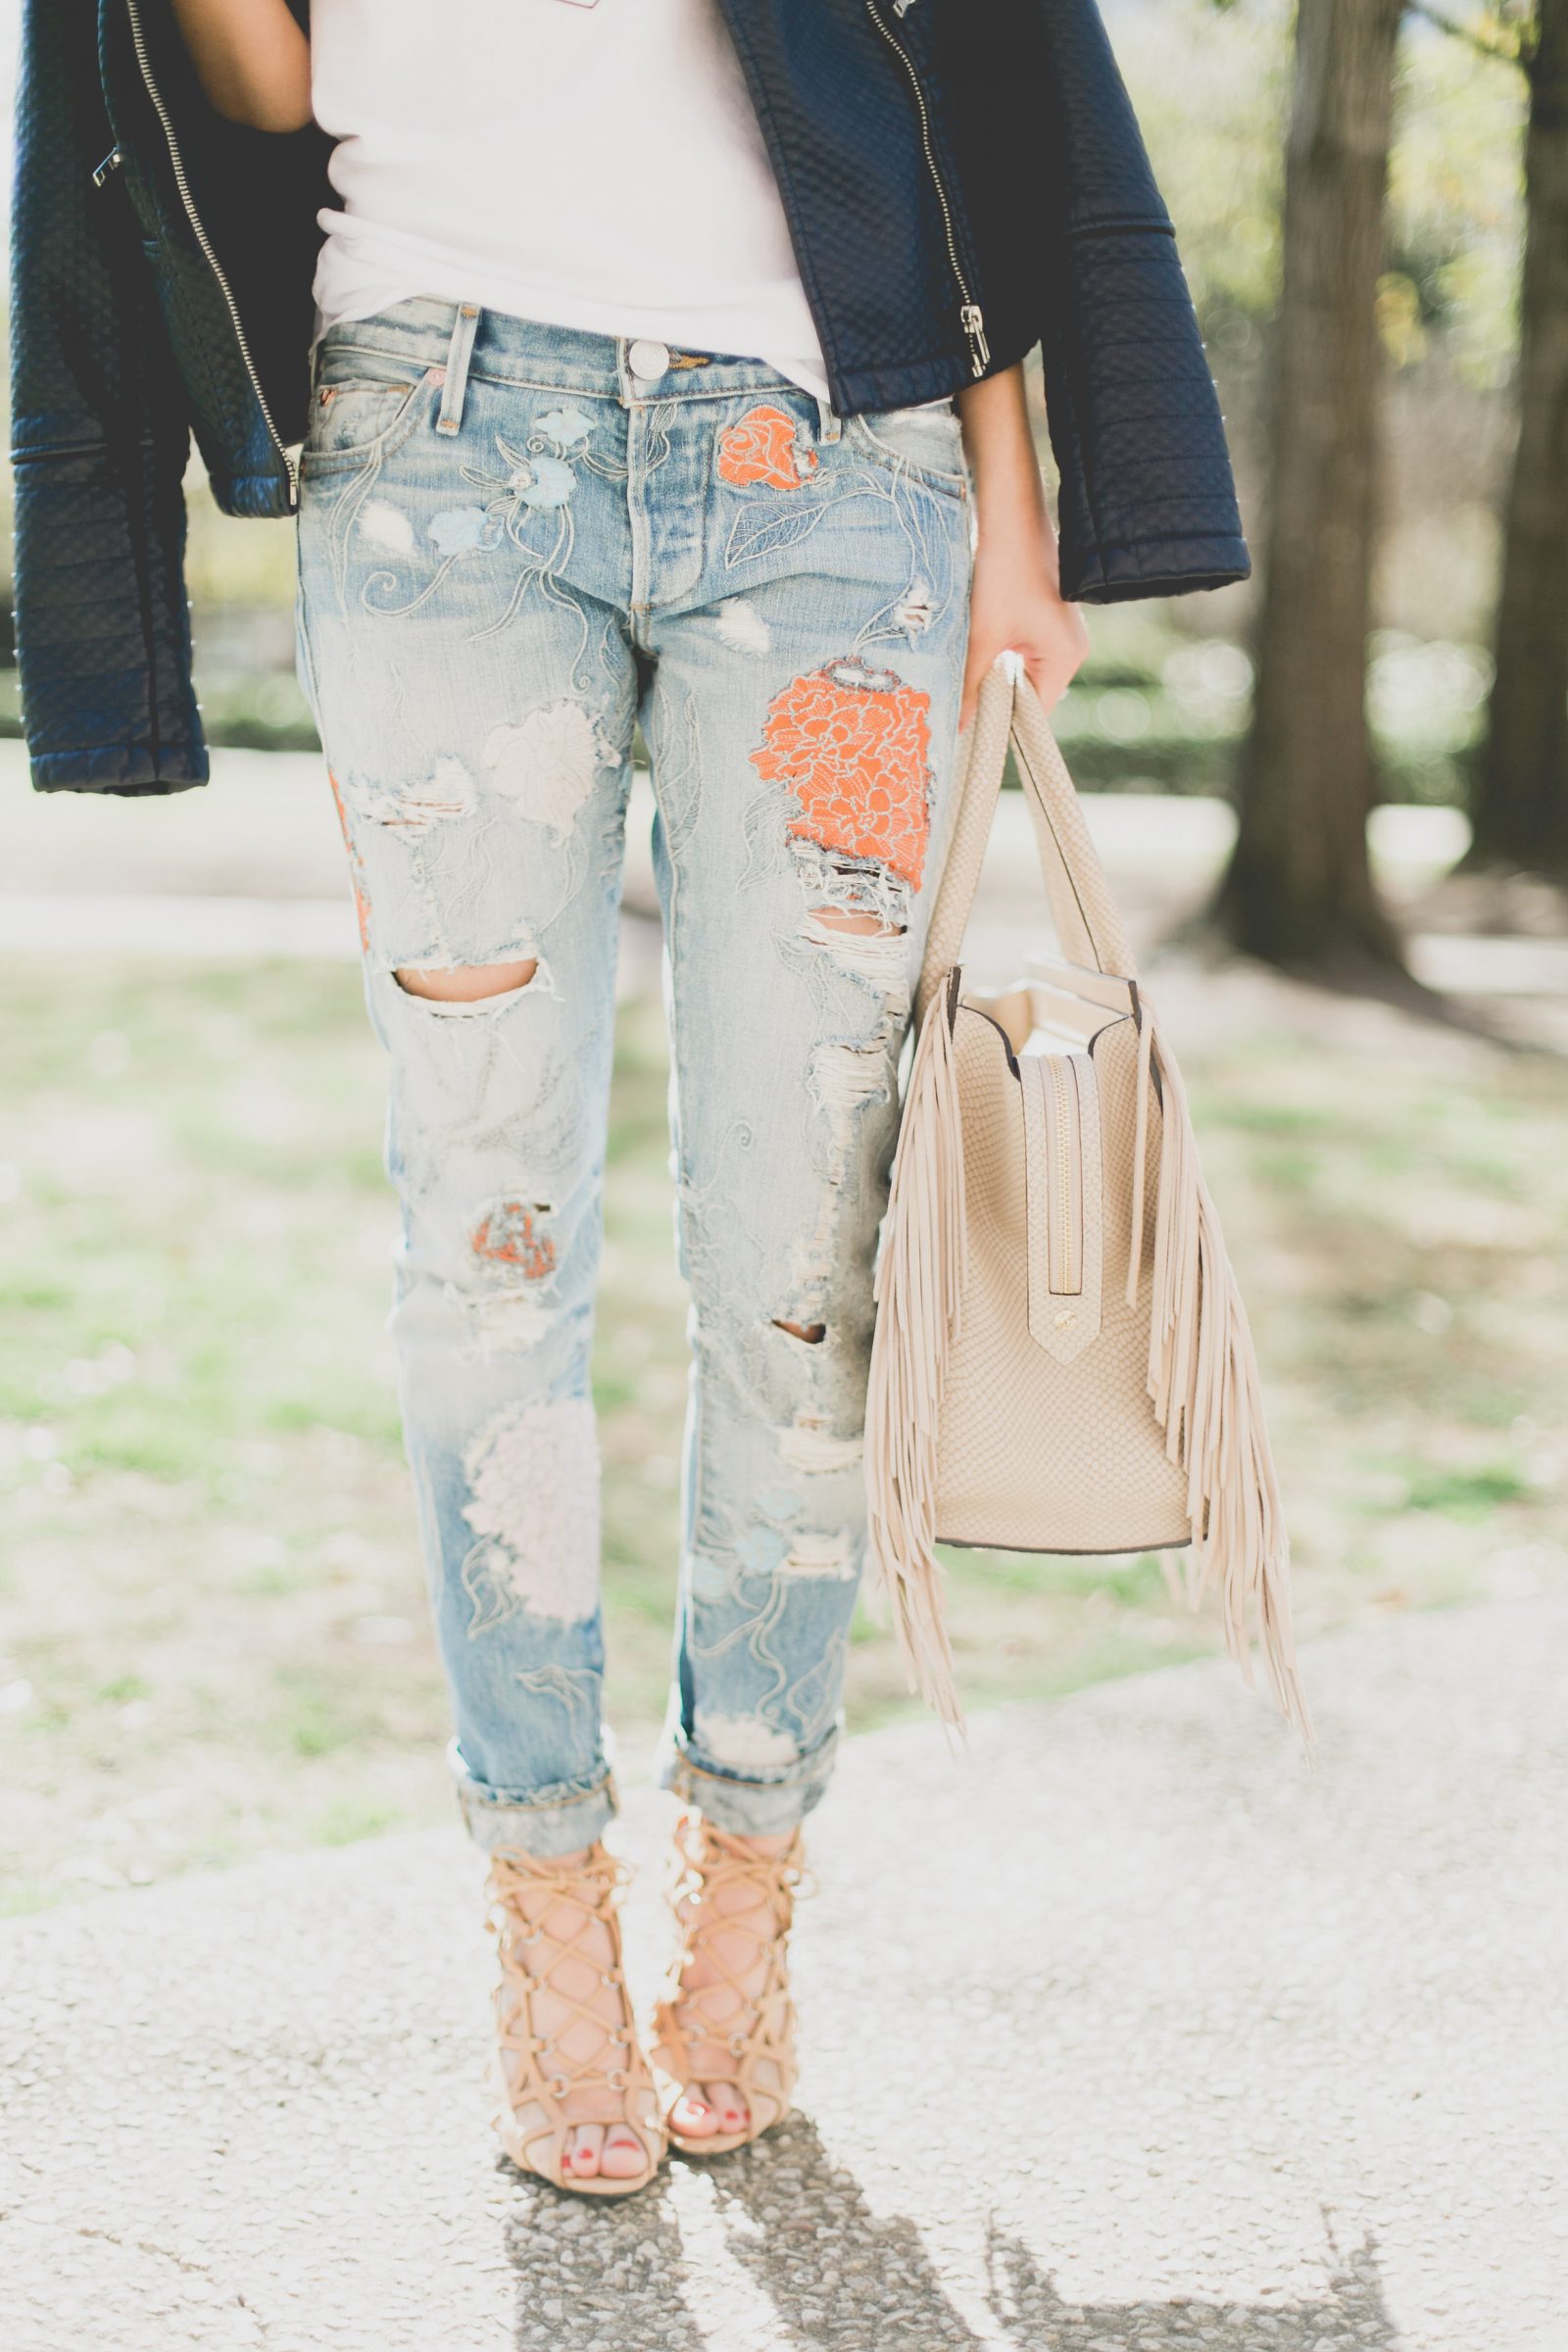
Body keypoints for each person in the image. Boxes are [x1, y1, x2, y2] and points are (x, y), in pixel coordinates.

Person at [11, 0, 1249, 2197]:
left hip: (834, 480)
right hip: (439, 457)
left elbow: (958, 73)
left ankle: (748, 1890)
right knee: (483, 1241)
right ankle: (541, 1914)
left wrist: (1014, 507)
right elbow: (273, 86)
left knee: (802, 1263)